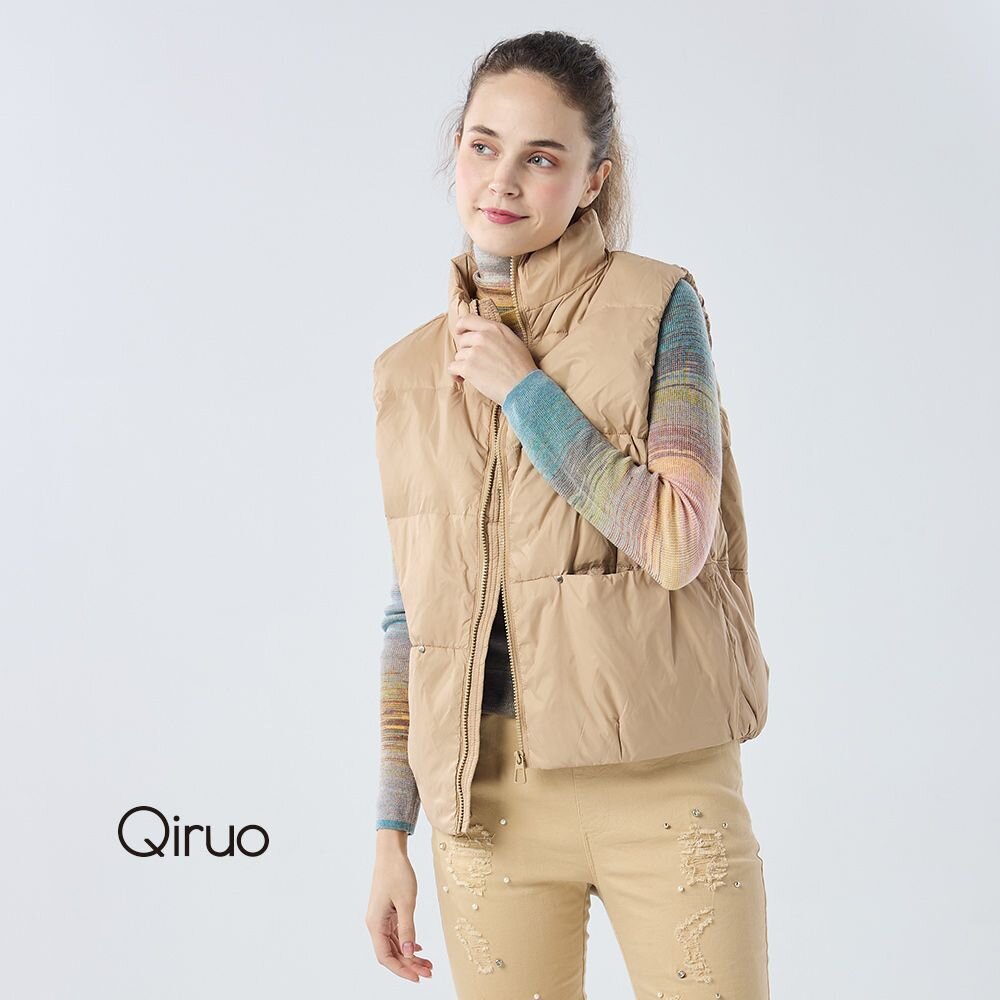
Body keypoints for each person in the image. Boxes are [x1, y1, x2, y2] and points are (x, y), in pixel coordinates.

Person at [365, 30, 771, 999]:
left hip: (665, 790)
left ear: (594, 178)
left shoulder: (657, 309)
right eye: (482, 145)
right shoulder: (410, 370)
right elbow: (414, 614)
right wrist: (390, 831)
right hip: (486, 809)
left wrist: (525, 394)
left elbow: (675, 538)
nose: (501, 180)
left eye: (540, 157)